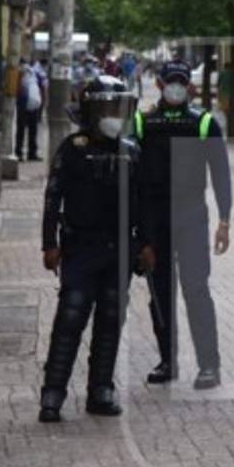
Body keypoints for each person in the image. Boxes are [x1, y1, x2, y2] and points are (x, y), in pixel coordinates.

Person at [38, 75, 143, 423]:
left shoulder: (131, 150)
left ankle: (101, 389)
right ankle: (52, 395)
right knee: (71, 315)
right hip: (81, 247)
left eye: (120, 108)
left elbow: (145, 204)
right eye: (109, 108)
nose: (115, 115)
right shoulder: (73, 148)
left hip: (119, 248)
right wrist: (49, 243)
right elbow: (53, 197)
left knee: (112, 317)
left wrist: (146, 244)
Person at [135, 60, 232, 390]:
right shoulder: (142, 122)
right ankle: (168, 361)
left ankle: (210, 365)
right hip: (154, 220)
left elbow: (221, 174)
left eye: (182, 81)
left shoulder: (204, 123)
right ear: (160, 84)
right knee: (160, 293)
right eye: (170, 81)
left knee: (196, 290)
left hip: (191, 215)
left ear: (189, 85)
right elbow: (132, 179)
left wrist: (225, 220)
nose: (176, 87)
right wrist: (136, 230)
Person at [16, 58, 46, 162]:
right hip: (25, 104)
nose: (25, 67)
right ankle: (20, 153)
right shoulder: (20, 73)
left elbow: (41, 87)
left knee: (31, 130)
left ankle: (30, 153)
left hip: (31, 104)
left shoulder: (34, 73)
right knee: (23, 130)